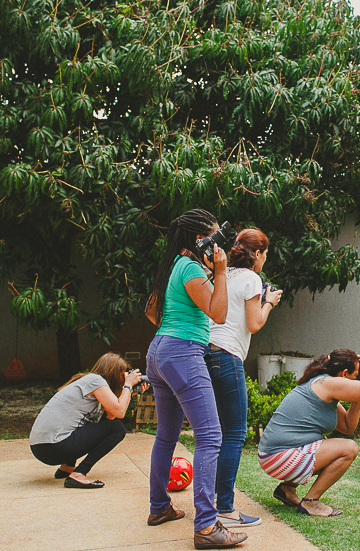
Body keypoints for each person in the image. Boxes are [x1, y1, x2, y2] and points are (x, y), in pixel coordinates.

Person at [143, 209, 245, 550]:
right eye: (213, 236)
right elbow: (218, 313)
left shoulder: (176, 265)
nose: (218, 243)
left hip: (161, 351)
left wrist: (172, 330)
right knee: (211, 435)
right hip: (182, 353)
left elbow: (151, 311)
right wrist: (219, 270)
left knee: (167, 434)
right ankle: (206, 526)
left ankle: (159, 508)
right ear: (199, 239)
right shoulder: (190, 267)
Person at [206, 228, 283, 529]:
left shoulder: (222, 275)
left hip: (207, 354)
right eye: (265, 254)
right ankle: (224, 507)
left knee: (216, 434)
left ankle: (211, 502)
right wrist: (269, 303)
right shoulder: (252, 278)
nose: (265, 259)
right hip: (227, 357)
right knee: (235, 434)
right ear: (258, 254)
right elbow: (254, 323)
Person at [257, 349, 360, 517]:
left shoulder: (322, 385)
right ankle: (311, 502)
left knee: (337, 445)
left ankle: (287, 489)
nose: (358, 379)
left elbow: (347, 427)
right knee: (349, 448)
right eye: (356, 375)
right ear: (344, 374)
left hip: (271, 456)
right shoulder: (328, 383)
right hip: (278, 457)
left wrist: (357, 394)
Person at [29, 352, 141, 489]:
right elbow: (120, 412)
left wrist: (131, 392)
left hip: (42, 447)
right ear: (113, 372)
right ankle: (79, 473)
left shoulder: (89, 383)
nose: (123, 378)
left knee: (98, 424)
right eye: (123, 374)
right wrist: (128, 384)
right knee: (118, 429)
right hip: (53, 446)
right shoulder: (95, 381)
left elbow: (111, 416)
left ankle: (67, 467)